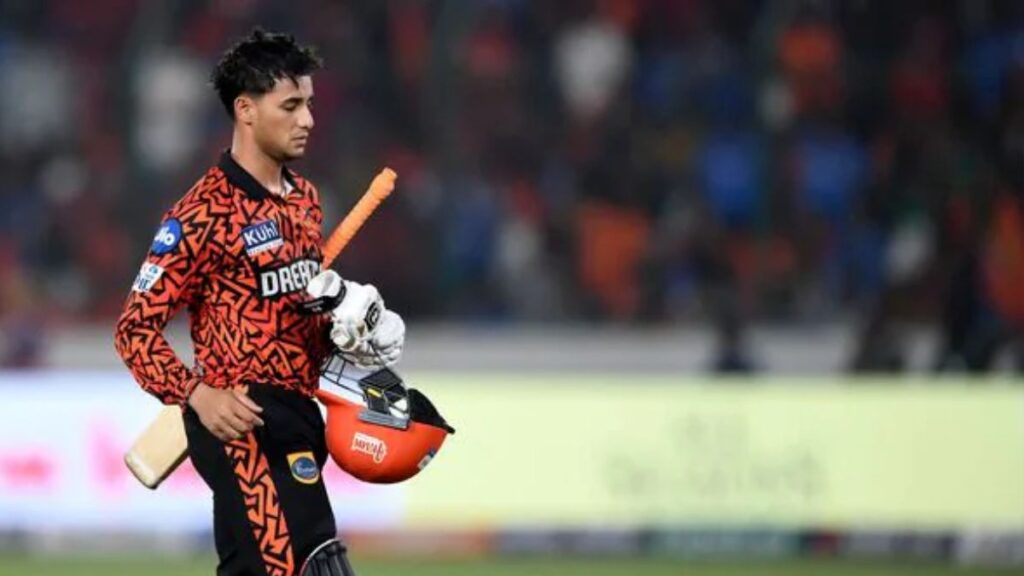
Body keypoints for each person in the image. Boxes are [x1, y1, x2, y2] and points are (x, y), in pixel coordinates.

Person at [114, 29, 404, 576]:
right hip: (242, 425)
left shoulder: (305, 202)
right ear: (245, 110)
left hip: (298, 416)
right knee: (312, 564)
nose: (307, 120)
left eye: (309, 104)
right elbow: (134, 331)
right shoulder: (201, 214)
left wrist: (349, 329)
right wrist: (196, 394)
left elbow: (293, 319)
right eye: (290, 106)